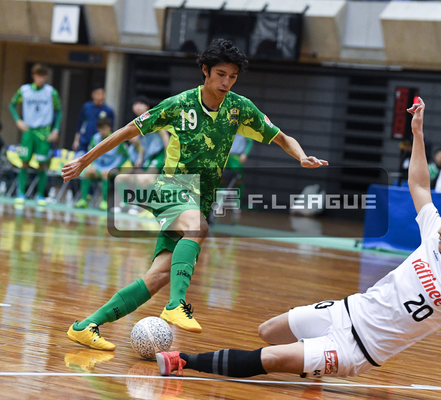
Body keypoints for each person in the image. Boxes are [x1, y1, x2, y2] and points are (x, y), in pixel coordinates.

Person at [156, 98, 441, 400]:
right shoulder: (433, 238)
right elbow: (420, 184)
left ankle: (184, 360)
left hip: (357, 349)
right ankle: (311, 364)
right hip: (345, 311)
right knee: (268, 332)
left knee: (270, 359)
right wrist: (417, 132)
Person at [62, 38, 328, 350]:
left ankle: (86, 326)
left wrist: (301, 156)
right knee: (197, 226)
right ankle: (176, 305)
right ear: (205, 70)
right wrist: (84, 160)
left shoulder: (240, 108)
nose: (226, 82)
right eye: (220, 74)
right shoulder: (179, 105)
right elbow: (126, 131)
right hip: (170, 188)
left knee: (158, 276)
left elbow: (282, 137)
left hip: (200, 199)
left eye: (232, 77)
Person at [9, 63, 62, 206]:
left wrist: (55, 129)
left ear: (46, 77)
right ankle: (21, 193)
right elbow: (12, 104)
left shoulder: (51, 92)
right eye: (38, 76)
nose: (41, 79)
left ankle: (40, 195)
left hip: (44, 133)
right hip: (28, 131)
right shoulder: (24, 90)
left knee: (42, 164)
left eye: (43, 76)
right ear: (33, 76)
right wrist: (18, 120)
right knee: (24, 162)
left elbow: (59, 111)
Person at [74, 118, 128, 210]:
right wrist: (92, 164)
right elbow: (90, 154)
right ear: (98, 129)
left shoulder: (117, 139)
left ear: (109, 128)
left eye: (105, 128)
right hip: (98, 166)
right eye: (101, 128)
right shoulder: (95, 138)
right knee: (87, 172)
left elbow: (126, 155)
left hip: (111, 168)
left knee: (105, 174)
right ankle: (83, 200)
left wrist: (118, 167)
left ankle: (104, 201)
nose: (104, 131)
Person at [73, 86, 115, 152]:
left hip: (99, 142)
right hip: (85, 140)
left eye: (101, 93)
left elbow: (111, 128)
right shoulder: (86, 107)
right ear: (93, 95)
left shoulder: (108, 111)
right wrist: (76, 140)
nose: (99, 96)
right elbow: (80, 124)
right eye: (97, 93)